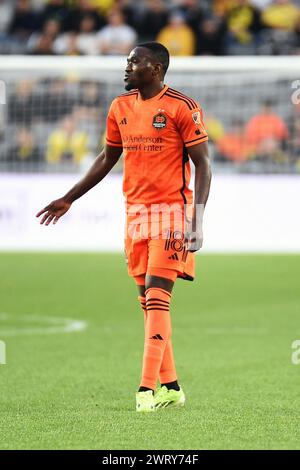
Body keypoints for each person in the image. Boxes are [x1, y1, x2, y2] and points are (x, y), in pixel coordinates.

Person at [36, 42, 211, 412]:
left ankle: (145, 390)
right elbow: (107, 157)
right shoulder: (119, 106)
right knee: (149, 304)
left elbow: (203, 165)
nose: (127, 67)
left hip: (172, 214)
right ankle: (172, 387)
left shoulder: (182, 106)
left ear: (157, 68)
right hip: (134, 215)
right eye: (127, 62)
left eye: (135, 61)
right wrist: (70, 197)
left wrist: (196, 218)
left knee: (158, 296)